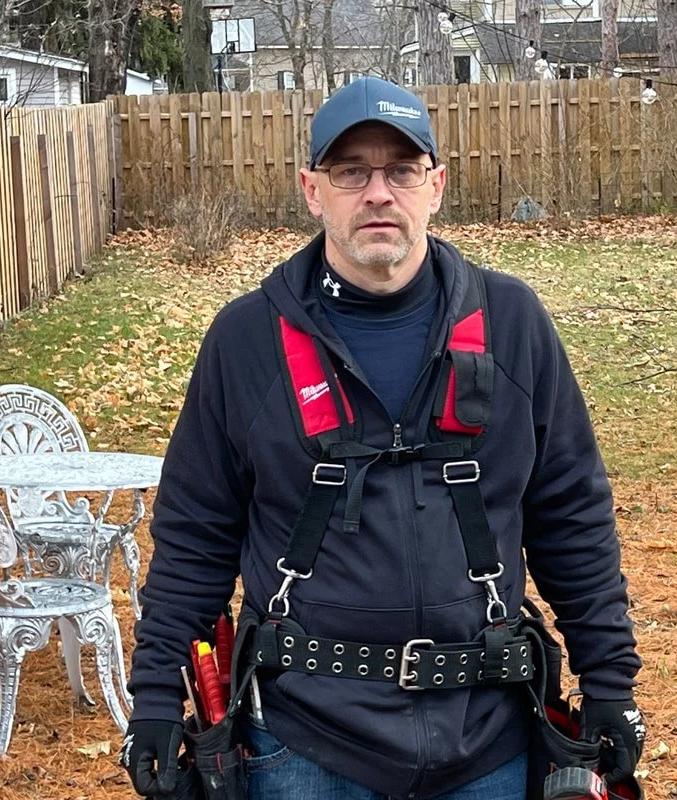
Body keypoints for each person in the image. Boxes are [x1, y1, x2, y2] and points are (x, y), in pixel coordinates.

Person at [123, 76, 644, 800]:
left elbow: (571, 515)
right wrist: (154, 699)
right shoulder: (246, 342)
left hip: (486, 739)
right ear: (313, 190)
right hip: (302, 742)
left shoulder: (511, 324)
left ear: (435, 186)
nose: (377, 193)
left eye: (401, 171)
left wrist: (610, 684)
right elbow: (194, 535)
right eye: (351, 172)